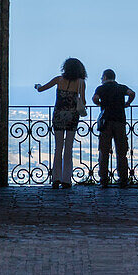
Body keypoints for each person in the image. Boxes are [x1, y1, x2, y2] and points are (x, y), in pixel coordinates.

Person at [35, 57, 87, 189]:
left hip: (58, 115)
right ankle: (66, 180)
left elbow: (41, 89)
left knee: (58, 147)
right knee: (68, 147)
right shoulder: (81, 82)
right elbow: (84, 101)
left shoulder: (58, 80)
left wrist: (37, 86)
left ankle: (56, 179)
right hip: (72, 117)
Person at [92, 68, 135, 188]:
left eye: (102, 78)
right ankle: (123, 179)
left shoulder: (101, 88)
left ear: (105, 77)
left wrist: (101, 104)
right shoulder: (121, 87)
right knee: (121, 151)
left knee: (104, 151)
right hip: (120, 121)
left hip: (106, 122)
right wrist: (127, 103)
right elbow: (132, 93)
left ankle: (104, 179)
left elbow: (95, 99)